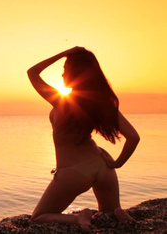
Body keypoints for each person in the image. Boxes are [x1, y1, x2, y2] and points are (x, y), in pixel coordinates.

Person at [27, 46, 140, 230]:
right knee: (108, 214)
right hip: (102, 165)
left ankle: (78, 218)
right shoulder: (101, 103)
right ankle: (118, 212)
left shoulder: (60, 100)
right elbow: (133, 137)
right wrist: (117, 163)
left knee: (39, 217)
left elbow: (32, 73)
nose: (62, 76)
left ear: (73, 73)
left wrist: (64, 53)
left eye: (64, 71)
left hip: (73, 171)